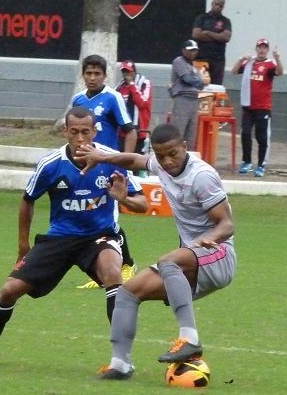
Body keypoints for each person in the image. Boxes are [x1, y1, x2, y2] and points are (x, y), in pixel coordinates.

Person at [0, 106, 148, 365]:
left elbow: (143, 204)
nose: (81, 139)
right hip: (60, 238)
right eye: (74, 132)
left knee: (112, 274)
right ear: (65, 131)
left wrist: (125, 200)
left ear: (95, 131)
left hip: (100, 236)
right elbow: (27, 200)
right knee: (9, 291)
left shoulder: (111, 160)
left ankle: (122, 359)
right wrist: (23, 246)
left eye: (86, 132)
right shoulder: (51, 164)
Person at [74, 123, 236, 380]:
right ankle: (120, 365)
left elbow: (227, 224)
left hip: (218, 256)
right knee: (128, 292)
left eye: (173, 153)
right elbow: (134, 159)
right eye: (161, 156)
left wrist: (208, 239)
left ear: (184, 147)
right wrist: (102, 158)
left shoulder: (201, 176)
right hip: (190, 261)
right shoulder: (160, 163)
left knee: (168, 260)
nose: (167, 161)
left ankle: (189, 339)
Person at [72, 54, 140, 288]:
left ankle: (127, 266)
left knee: (109, 216)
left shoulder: (113, 98)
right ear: (83, 75)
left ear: (104, 75)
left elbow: (130, 131)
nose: (92, 78)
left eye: (97, 74)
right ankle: (101, 270)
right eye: (88, 73)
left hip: (108, 164)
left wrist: (125, 162)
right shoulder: (78, 100)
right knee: (89, 212)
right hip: (85, 165)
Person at [231, 38, 284, 177]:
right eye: (260, 47)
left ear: (267, 50)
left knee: (262, 137)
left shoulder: (269, 65)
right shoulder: (250, 63)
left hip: (263, 107)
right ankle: (246, 161)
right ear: (256, 48)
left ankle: (261, 165)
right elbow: (234, 71)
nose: (262, 50)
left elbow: (280, 72)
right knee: (245, 134)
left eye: (264, 48)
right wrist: (241, 58)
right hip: (248, 106)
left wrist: (278, 58)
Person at [169, 39, 210, 150]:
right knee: (178, 133)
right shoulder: (179, 61)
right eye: (190, 50)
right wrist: (201, 80)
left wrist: (200, 80)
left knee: (191, 135)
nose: (193, 53)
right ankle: (175, 160)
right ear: (184, 50)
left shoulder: (194, 65)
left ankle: (188, 161)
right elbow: (188, 79)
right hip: (182, 98)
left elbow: (200, 86)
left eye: (195, 50)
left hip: (194, 100)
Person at [192, 0, 232, 85]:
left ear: (223, 7)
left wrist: (208, 33)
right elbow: (196, 35)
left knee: (215, 87)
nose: (218, 7)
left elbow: (226, 37)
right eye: (216, 4)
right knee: (201, 85)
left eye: (221, 6)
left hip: (218, 60)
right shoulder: (201, 18)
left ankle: (212, 100)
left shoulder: (226, 21)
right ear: (212, 3)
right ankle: (203, 99)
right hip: (201, 58)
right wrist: (218, 37)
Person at [115, 60, 153, 156]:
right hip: (122, 131)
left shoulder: (144, 83)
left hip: (138, 131)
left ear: (134, 72)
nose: (126, 74)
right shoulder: (120, 86)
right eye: (124, 71)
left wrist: (132, 85)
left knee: (134, 162)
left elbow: (143, 103)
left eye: (128, 71)